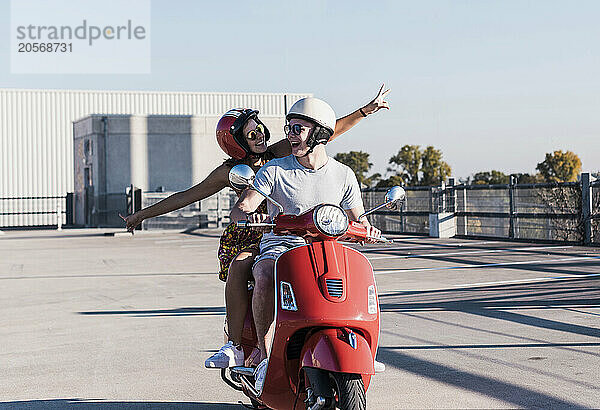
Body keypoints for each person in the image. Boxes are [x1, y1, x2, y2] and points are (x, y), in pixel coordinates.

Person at [120, 85, 390, 369]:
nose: (260, 134)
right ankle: (236, 346)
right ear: (237, 142)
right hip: (254, 231)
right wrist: (141, 215)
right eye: (251, 133)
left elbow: (325, 131)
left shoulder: (280, 154)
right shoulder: (233, 171)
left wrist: (364, 111)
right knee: (243, 265)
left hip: (304, 230)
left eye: (259, 127)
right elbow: (188, 195)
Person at [229, 97, 382, 393]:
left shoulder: (343, 174)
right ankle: (262, 352)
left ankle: (355, 346)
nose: (290, 134)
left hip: (327, 250)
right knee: (263, 272)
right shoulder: (275, 170)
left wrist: (368, 229)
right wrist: (248, 213)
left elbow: (357, 219)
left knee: (359, 283)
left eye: (298, 128)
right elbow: (243, 206)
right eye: (289, 127)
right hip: (280, 247)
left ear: (320, 133)